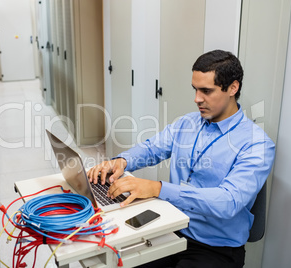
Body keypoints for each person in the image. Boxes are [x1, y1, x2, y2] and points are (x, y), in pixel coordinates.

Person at [87, 49, 275, 268]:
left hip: (215, 248)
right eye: (195, 89)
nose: (197, 99)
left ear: (233, 87)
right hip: (169, 228)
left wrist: (158, 188)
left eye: (206, 91)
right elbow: (151, 149)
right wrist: (122, 161)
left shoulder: (257, 144)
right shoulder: (188, 123)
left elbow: (228, 202)